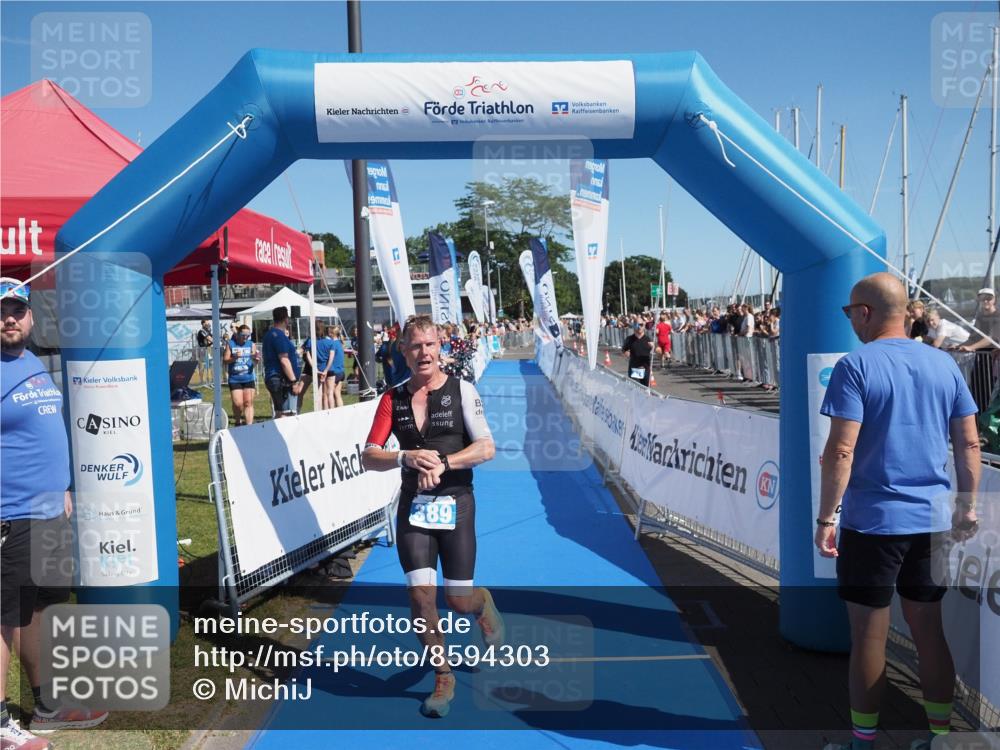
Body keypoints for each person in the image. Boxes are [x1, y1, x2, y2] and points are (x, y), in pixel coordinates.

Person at [816, 272, 980, 750]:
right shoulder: (944, 364)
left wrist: (827, 518)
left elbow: (840, 452)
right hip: (932, 520)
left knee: (869, 635)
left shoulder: (856, 365)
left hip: (874, 523)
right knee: (929, 629)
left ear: (865, 313)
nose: (850, 322)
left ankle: (863, 742)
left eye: (850, 313)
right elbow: (968, 441)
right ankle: (941, 738)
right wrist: (967, 507)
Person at [362, 315, 502, 719]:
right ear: (403, 351)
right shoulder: (393, 399)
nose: (423, 353)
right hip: (414, 508)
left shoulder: (462, 391)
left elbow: (487, 447)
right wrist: (404, 456)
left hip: (456, 504)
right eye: (415, 346)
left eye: (430, 345)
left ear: (440, 347)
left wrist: (445, 461)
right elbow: (369, 455)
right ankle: (444, 676)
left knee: (457, 600)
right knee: (421, 598)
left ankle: (482, 606)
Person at [1, 278, 108, 748]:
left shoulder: (32, 363)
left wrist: (61, 486)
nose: (9, 318)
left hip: (48, 512)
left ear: (30, 317)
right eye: (1, 311)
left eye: (17, 310)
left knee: (39, 607)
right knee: (4, 617)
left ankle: (48, 704)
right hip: (11, 515)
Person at [261, 306, 302, 418]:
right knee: (287, 413)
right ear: (286, 319)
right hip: (281, 379)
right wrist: (294, 381)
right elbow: (284, 360)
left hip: (275, 377)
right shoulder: (278, 336)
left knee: (280, 411)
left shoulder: (270, 334)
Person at [223, 324, 258, 426]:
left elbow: (255, 362)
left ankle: (249, 426)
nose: (245, 337)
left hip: (249, 377)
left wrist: (256, 360)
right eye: (243, 335)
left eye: (248, 335)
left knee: (248, 402)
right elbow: (225, 360)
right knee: (238, 404)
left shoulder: (251, 344)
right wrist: (234, 358)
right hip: (235, 379)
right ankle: (238, 421)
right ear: (238, 334)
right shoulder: (231, 344)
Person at [621, 322, 652, 386]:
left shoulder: (649, 339)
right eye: (637, 325)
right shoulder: (629, 339)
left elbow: (658, 351)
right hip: (634, 369)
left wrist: (655, 348)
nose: (639, 327)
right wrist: (626, 352)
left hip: (645, 369)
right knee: (635, 389)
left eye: (641, 325)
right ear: (634, 326)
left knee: (646, 391)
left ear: (644, 326)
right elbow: (623, 350)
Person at [196, 319, 213, 385]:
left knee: (211, 364)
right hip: (202, 349)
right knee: (202, 365)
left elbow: (212, 339)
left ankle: (211, 380)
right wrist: (210, 340)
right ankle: (202, 381)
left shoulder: (208, 331)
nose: (208, 325)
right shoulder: (202, 331)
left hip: (208, 348)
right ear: (203, 324)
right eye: (206, 323)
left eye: (208, 323)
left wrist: (210, 340)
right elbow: (210, 339)